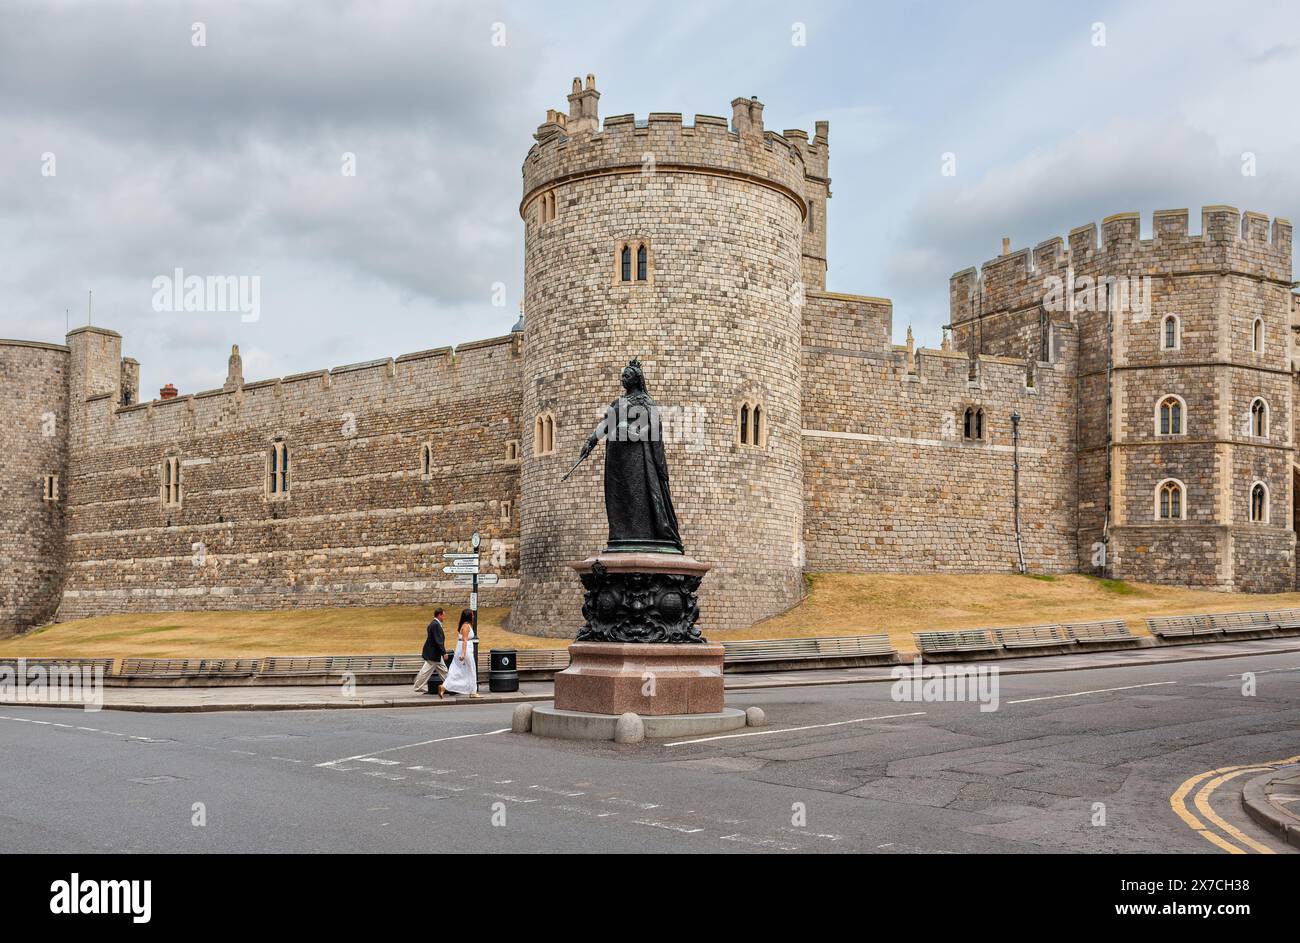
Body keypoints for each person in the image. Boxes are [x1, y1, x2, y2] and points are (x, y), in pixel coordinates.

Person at [439, 608, 481, 699]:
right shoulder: (466, 626)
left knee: (458, 670)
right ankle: (473, 692)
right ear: (468, 616)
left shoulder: (465, 625)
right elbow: (465, 640)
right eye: (472, 615)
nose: (473, 616)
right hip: (465, 650)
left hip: (463, 648)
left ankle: (445, 686)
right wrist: (463, 653)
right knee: (471, 669)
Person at [412, 608, 449, 695]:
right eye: (443, 615)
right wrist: (444, 652)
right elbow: (438, 640)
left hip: (434, 653)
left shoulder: (433, 624)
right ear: (439, 615)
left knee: (444, 670)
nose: (444, 617)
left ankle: (451, 686)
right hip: (433, 654)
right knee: (425, 672)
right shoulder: (435, 625)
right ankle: (417, 687)